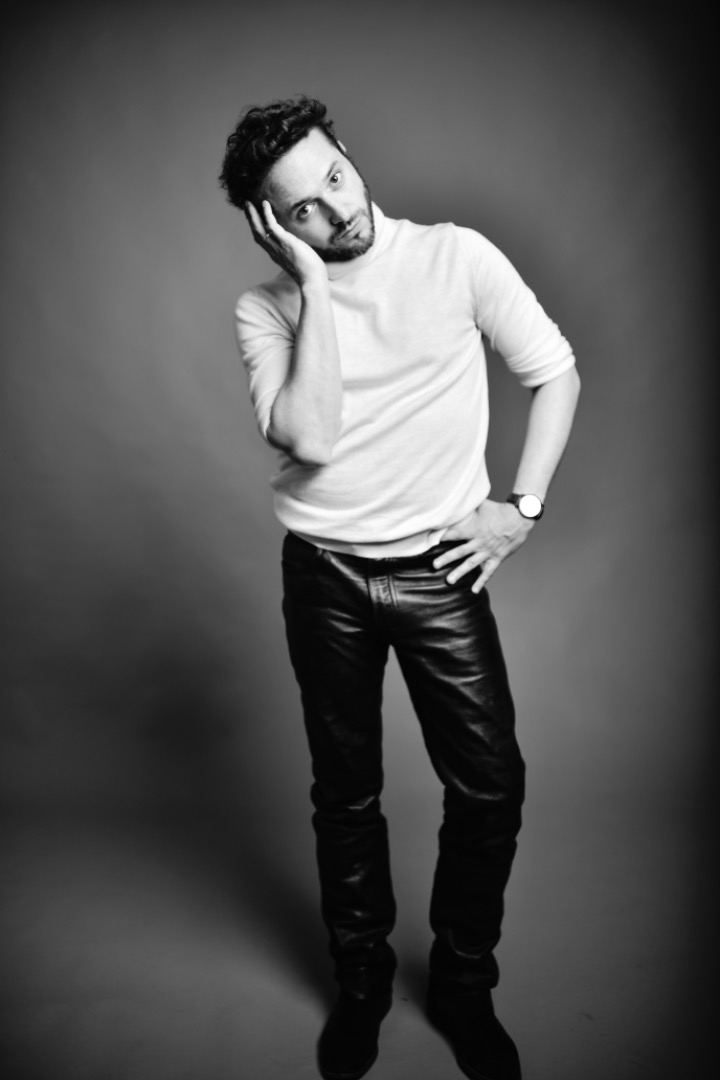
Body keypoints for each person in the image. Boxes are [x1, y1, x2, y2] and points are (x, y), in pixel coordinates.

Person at [219, 96, 580, 1080]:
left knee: (491, 786)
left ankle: (461, 985)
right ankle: (362, 982)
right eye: (302, 208)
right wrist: (313, 284)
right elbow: (310, 436)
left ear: (348, 153)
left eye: (334, 176)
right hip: (325, 578)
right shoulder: (266, 308)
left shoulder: (456, 257)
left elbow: (555, 372)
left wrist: (521, 507)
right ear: (270, 224)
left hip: (440, 572)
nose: (336, 209)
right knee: (346, 796)